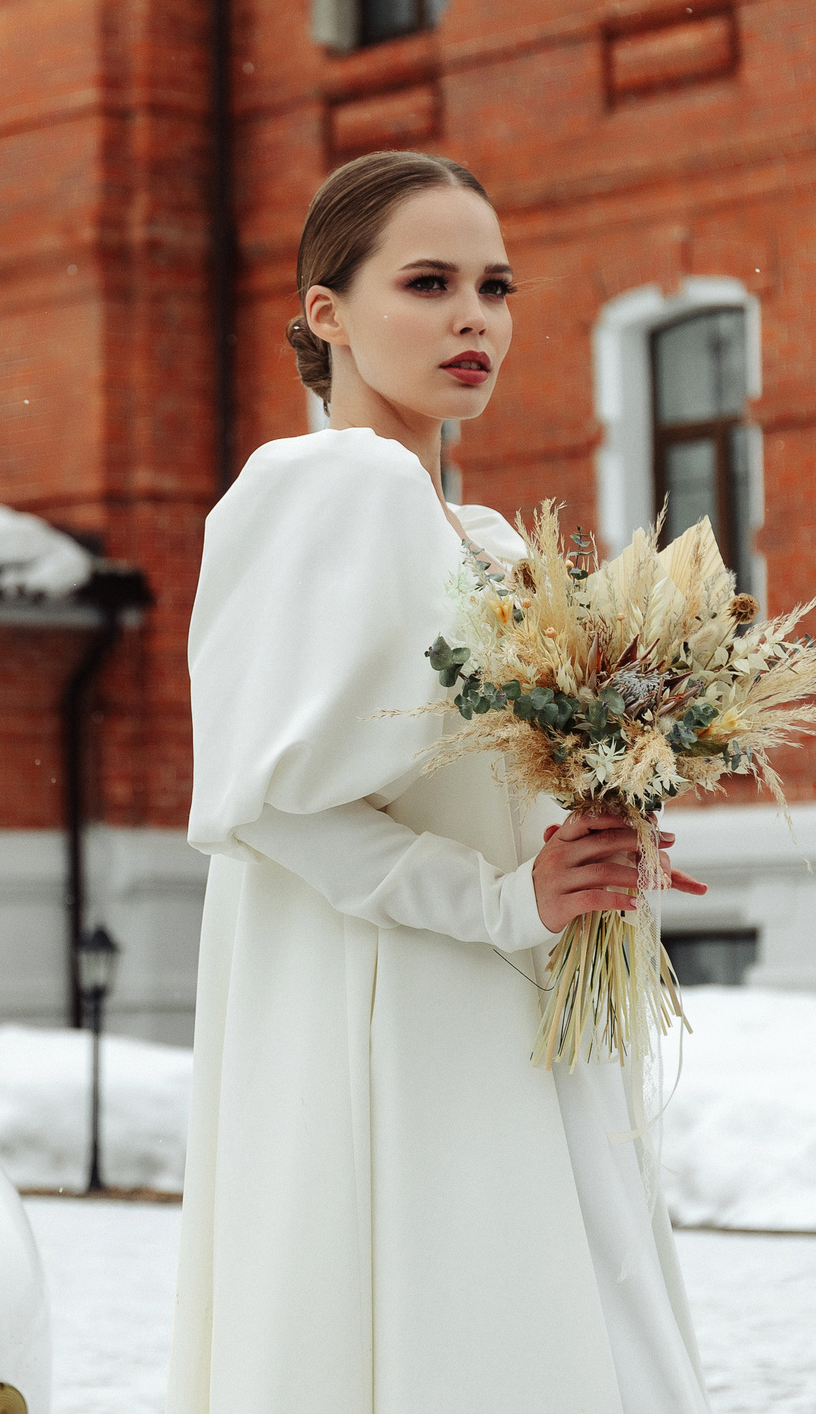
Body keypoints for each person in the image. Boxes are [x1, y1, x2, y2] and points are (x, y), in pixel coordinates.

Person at [170, 150, 716, 1414]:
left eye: (494, 285)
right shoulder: (330, 483)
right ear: (327, 314)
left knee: (528, 1326)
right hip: (402, 1006)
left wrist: (597, 818)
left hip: (504, 1005)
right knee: (470, 1328)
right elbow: (279, 801)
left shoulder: (476, 534)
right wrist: (506, 898)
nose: (475, 318)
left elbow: (441, 761)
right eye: (427, 283)